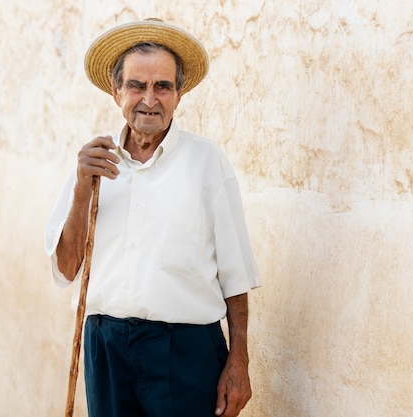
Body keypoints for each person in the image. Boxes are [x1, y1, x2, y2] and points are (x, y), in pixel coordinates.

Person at [44, 18, 261, 417]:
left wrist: (239, 361)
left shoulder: (206, 162)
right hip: (105, 348)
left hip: (186, 352)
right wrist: (80, 187)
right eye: (136, 85)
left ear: (178, 95)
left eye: (162, 86)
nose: (149, 98)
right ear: (116, 92)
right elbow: (66, 268)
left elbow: (236, 275)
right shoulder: (92, 165)